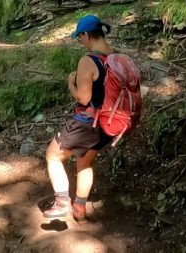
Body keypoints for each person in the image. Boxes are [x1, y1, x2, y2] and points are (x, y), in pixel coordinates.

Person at [43, 14, 114, 222]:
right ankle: (80, 209)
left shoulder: (88, 60)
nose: (80, 41)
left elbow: (83, 98)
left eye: (79, 37)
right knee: (85, 163)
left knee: (52, 156)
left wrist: (71, 83)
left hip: (87, 124)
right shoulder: (113, 57)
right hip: (107, 125)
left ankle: (62, 203)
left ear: (86, 34)